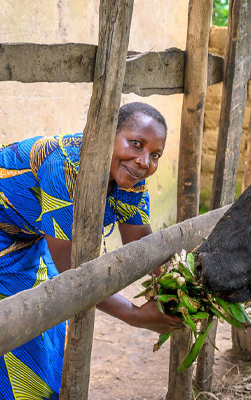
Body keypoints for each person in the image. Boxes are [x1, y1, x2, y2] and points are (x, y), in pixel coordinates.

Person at [0, 102, 182, 399]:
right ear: (108, 133)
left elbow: (141, 244)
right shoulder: (63, 166)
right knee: (16, 333)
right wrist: (134, 315)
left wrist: (183, 292)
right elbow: (73, 271)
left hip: (26, 239)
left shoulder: (131, 180)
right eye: (135, 144)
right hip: (7, 238)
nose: (144, 161)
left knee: (48, 332)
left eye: (155, 155)